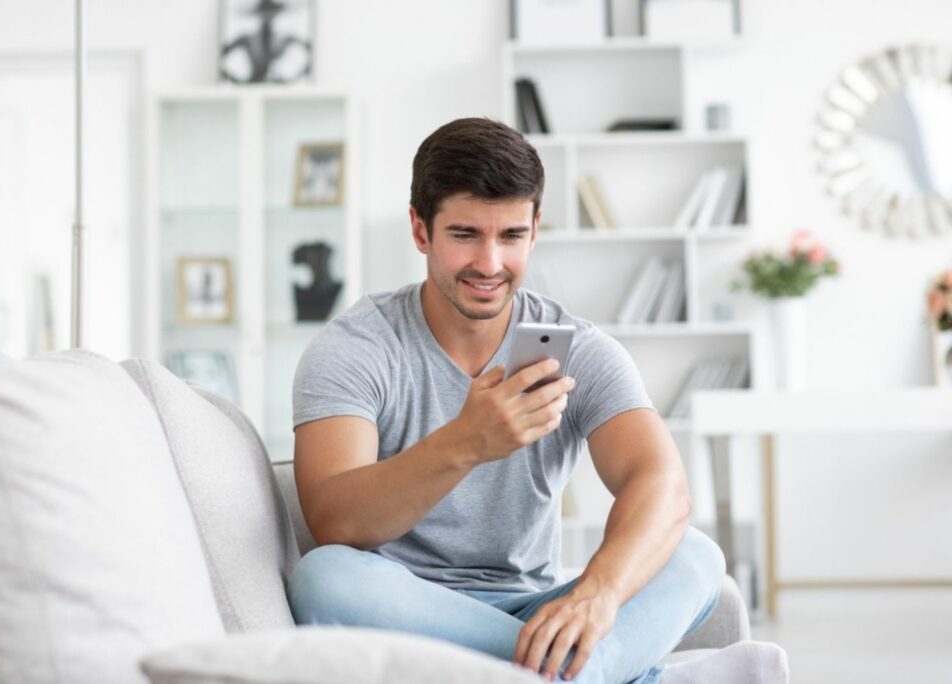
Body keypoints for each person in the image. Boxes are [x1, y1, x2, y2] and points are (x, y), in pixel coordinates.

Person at [286, 118, 785, 683]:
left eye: (511, 236)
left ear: (535, 229)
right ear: (420, 230)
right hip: (415, 611)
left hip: (544, 611)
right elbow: (336, 521)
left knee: (695, 556)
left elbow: (661, 485)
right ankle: (605, 676)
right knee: (324, 577)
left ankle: (549, 671)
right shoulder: (355, 347)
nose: (490, 263)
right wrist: (466, 443)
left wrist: (597, 595)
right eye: (465, 234)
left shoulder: (581, 349)